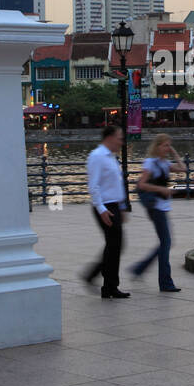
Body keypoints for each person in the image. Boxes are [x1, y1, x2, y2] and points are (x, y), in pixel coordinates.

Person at [132, 133, 185, 292]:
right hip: (155, 207)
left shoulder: (165, 163)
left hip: (162, 206)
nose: (167, 148)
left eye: (169, 145)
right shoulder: (151, 163)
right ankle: (165, 283)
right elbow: (141, 184)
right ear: (157, 146)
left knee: (165, 243)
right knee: (166, 243)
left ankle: (140, 268)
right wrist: (161, 189)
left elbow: (183, 169)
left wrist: (174, 152)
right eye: (165, 145)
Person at [85, 125, 129, 299]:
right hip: (105, 207)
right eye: (119, 137)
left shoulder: (111, 157)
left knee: (114, 246)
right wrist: (101, 209)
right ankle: (105, 282)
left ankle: (108, 286)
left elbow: (116, 184)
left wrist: (123, 206)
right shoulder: (97, 156)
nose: (121, 141)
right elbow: (93, 185)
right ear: (109, 137)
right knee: (114, 245)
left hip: (114, 205)